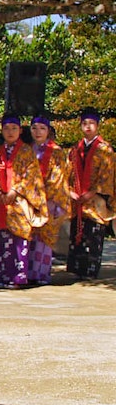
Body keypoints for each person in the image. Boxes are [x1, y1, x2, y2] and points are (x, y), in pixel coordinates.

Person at [0, 115, 47, 288]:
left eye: (14, 128)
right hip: (0, 201)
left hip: (19, 202)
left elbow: (31, 176)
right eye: (6, 128)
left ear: (20, 130)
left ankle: (15, 278)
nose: (10, 132)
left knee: (17, 240)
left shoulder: (27, 152)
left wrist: (15, 190)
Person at [66, 108, 115, 279]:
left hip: (95, 201)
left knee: (93, 235)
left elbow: (107, 176)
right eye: (85, 124)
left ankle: (90, 271)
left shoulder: (105, 149)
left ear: (98, 126)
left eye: (92, 124)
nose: (88, 127)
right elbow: (68, 173)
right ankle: (77, 271)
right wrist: (70, 192)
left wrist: (92, 192)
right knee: (77, 234)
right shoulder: (74, 149)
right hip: (77, 200)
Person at [29, 117, 72, 285]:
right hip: (30, 200)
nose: (38, 132)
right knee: (31, 237)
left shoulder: (57, 152)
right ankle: (29, 272)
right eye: (34, 128)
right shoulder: (28, 150)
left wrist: (43, 196)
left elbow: (59, 178)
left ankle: (42, 274)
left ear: (48, 131)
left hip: (49, 200)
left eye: (42, 128)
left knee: (44, 239)